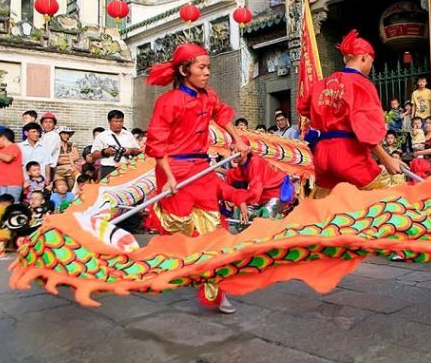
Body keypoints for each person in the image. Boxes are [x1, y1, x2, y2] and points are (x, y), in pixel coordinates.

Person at [144, 42, 250, 314]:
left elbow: (223, 115)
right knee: (179, 229)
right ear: (184, 70)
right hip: (175, 171)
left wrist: (237, 140)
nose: (206, 73)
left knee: (213, 232)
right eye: (201, 68)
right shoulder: (168, 102)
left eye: (208, 68)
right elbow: (157, 144)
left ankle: (216, 289)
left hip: (201, 171)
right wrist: (168, 178)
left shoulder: (208, 96)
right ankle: (176, 265)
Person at [297, 30, 402, 197]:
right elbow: (365, 129)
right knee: (392, 198)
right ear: (364, 58)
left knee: (327, 207)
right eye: (371, 62)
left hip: (322, 157)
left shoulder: (322, 84)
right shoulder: (361, 84)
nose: (371, 67)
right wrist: (386, 159)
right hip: (349, 156)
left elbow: (303, 107)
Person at [226, 152, 292, 225]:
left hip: (275, 193)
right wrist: (216, 169)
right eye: (231, 150)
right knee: (246, 216)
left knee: (266, 221)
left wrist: (242, 201)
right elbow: (234, 174)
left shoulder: (255, 162)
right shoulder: (243, 164)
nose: (232, 153)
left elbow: (256, 188)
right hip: (260, 196)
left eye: (235, 151)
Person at [91, 110, 142, 180]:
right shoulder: (102, 136)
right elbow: (94, 155)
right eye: (116, 121)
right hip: (109, 169)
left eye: (121, 121)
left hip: (126, 168)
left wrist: (130, 150)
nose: (119, 124)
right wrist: (105, 152)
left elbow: (138, 150)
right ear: (109, 121)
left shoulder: (128, 134)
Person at [0, 127, 24, 209]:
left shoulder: (14, 147)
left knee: (8, 209)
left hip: (11, 184)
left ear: (3, 138)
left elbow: (8, 158)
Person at [19, 122, 52, 188]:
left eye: (38, 132)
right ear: (26, 133)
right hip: (25, 180)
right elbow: (19, 165)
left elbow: (47, 163)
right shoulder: (20, 147)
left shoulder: (45, 146)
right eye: (33, 132)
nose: (36, 134)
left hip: (41, 181)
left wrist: (48, 177)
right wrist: (23, 180)